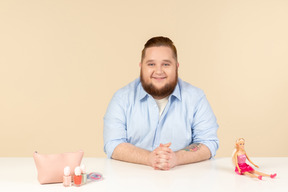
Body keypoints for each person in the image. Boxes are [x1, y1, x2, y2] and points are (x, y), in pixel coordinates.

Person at [103, 36, 219, 170]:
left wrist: (175, 158)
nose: (158, 71)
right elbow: (113, 143)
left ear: (176, 66)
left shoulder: (196, 98)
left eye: (166, 64)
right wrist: (149, 158)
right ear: (141, 67)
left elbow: (208, 142)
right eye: (151, 64)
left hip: (184, 181)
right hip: (131, 181)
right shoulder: (122, 98)